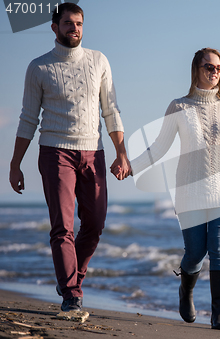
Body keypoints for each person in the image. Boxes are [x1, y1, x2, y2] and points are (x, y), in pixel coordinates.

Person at [9, 3, 131, 312]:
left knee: (95, 222)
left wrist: (121, 153)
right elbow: (28, 119)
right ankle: (71, 293)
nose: (73, 28)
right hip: (55, 151)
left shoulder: (99, 60)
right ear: (54, 27)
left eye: (78, 23)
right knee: (62, 226)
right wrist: (15, 163)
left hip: (94, 152)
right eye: (67, 23)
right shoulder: (39, 67)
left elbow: (110, 110)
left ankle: (71, 277)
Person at [130, 48, 220, 330]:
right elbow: (159, 147)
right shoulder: (179, 107)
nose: (215, 72)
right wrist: (130, 166)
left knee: (219, 249)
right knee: (195, 253)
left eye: (219, 68)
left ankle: (218, 315)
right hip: (189, 192)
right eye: (209, 67)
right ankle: (186, 291)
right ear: (196, 69)